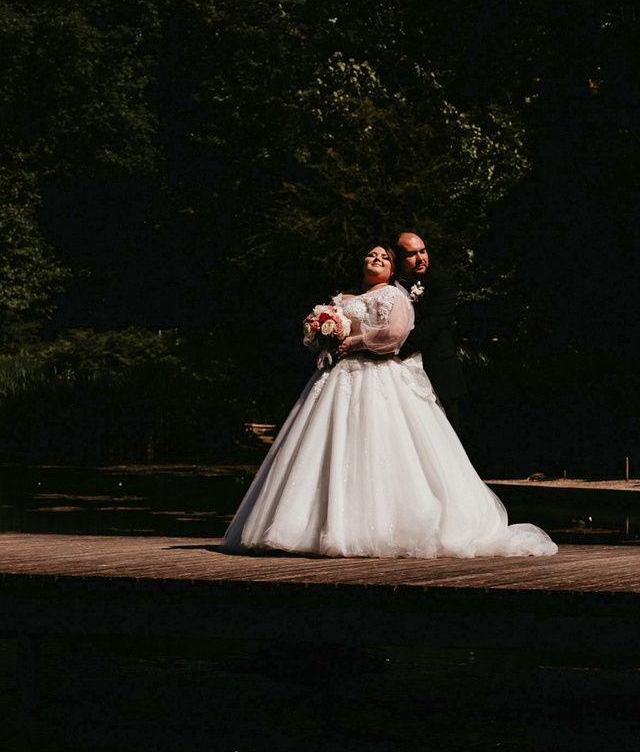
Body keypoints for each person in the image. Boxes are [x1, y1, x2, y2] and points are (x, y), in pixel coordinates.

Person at [220, 243, 556, 558]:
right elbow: (322, 337)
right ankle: (312, 525)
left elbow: (394, 336)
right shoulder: (341, 298)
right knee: (327, 446)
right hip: (338, 378)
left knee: (383, 443)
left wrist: (352, 343)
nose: (377, 259)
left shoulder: (394, 295)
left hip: (380, 374)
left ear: (391, 268)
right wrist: (323, 335)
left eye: (384, 256)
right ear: (361, 262)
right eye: (371, 255)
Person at [392, 232, 466, 434]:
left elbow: (433, 324)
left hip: (438, 372)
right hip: (399, 378)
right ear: (397, 257)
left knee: (448, 437)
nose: (421, 258)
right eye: (411, 254)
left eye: (423, 251)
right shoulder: (387, 287)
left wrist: (392, 354)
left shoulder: (442, 282)